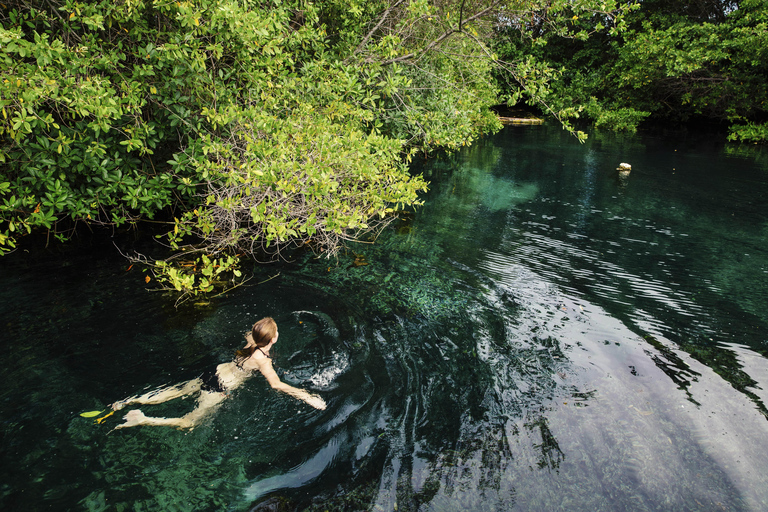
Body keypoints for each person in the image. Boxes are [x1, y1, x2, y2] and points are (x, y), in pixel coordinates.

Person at [112, 317, 326, 430]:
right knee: (189, 422)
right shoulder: (263, 360)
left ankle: (129, 401)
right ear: (273, 339)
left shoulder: (251, 339)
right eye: (276, 332)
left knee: (176, 392)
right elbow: (276, 385)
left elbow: (251, 332)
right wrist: (307, 396)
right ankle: (143, 419)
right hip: (220, 387)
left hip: (213, 371)